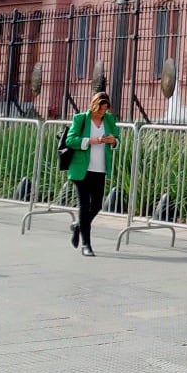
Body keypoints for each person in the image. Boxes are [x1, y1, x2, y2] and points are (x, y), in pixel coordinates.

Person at [63, 91, 119, 257]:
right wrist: (92, 141)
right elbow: (70, 140)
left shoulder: (109, 119)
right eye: (100, 109)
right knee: (84, 205)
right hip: (82, 169)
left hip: (100, 168)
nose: (103, 112)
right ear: (94, 105)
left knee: (97, 205)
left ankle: (78, 226)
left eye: (105, 109)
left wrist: (113, 141)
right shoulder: (80, 119)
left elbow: (117, 138)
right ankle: (86, 244)